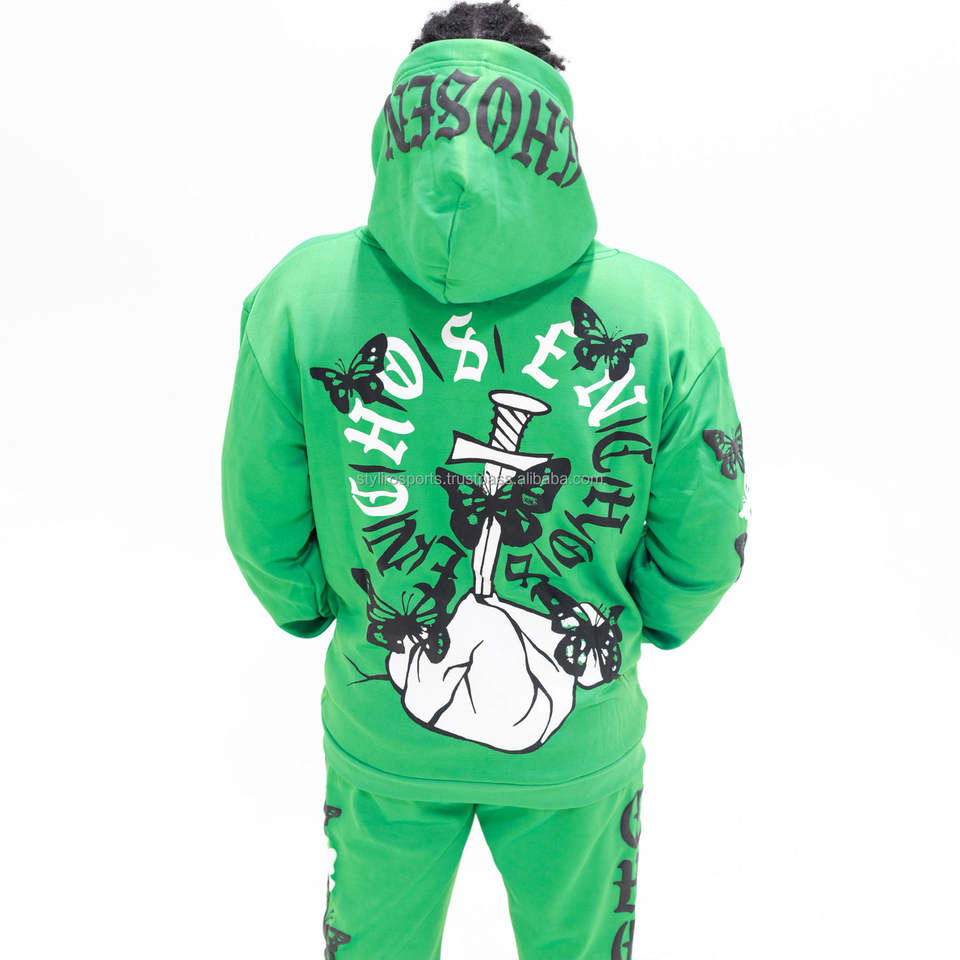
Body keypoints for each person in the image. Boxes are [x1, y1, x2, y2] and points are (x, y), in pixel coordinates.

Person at [221, 2, 749, 957]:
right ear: (557, 127)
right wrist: (642, 622)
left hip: (384, 729)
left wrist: (316, 606)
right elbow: (705, 541)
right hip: (578, 745)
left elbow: (262, 524)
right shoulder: (664, 318)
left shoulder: (302, 299)